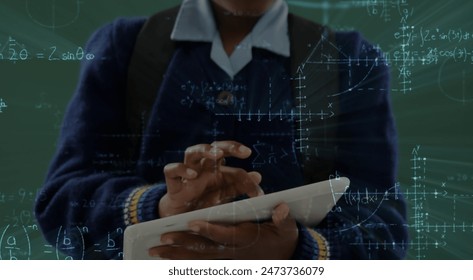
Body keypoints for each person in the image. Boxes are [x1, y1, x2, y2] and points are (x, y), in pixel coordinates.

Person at [35, 0, 408, 259]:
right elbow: (60, 203)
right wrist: (159, 206)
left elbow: (384, 232)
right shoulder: (124, 47)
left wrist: (295, 251)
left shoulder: (350, 61)